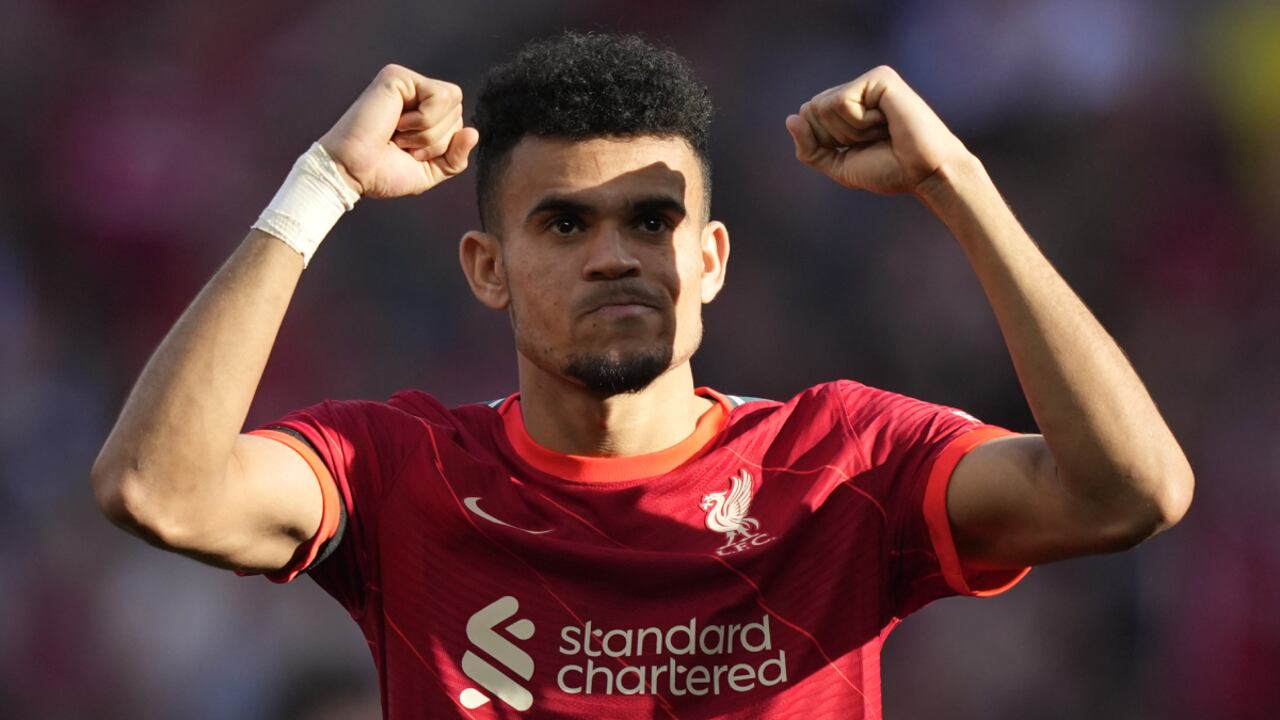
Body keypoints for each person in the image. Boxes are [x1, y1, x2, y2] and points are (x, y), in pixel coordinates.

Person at [89, 32, 1193, 719]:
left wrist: (958, 185)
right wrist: (321, 183)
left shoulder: (838, 465)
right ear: (487, 269)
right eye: (563, 223)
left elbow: (1129, 491)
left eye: (651, 220)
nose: (614, 253)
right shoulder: (399, 475)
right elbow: (157, 488)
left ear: (707, 262)